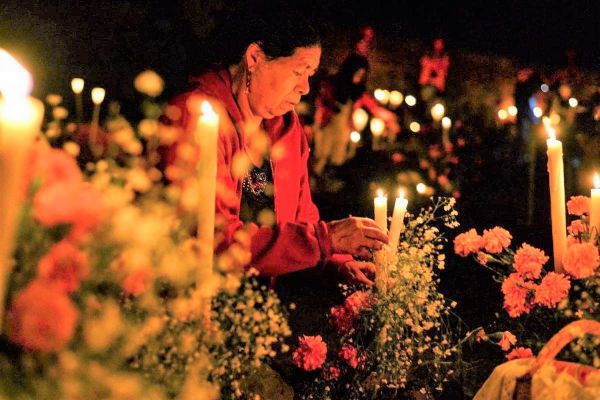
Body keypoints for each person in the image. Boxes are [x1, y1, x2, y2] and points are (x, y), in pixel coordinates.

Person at [160, 8, 388, 285]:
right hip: (193, 296)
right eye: (298, 71)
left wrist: (335, 260)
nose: (305, 87)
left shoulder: (286, 129)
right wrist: (325, 239)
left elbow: (302, 219)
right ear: (254, 57)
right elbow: (210, 235)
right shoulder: (194, 116)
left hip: (262, 304)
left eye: (311, 75)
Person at [312, 52, 399, 176]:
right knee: (322, 154)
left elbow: (373, 107)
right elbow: (321, 101)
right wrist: (330, 107)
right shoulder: (332, 84)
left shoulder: (357, 92)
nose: (359, 77)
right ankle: (316, 179)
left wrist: (389, 117)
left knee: (337, 155)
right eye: (357, 73)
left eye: (362, 75)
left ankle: (329, 179)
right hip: (327, 125)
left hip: (343, 128)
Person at [418, 38, 450, 102]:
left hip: (437, 87)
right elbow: (423, 65)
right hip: (424, 84)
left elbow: (444, 70)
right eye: (436, 43)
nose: (438, 46)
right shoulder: (426, 57)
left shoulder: (445, 59)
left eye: (440, 44)